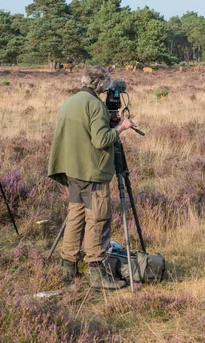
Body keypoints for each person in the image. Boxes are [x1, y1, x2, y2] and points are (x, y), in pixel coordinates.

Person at [48, 65, 135, 289]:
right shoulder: (95, 105)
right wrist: (121, 128)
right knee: (97, 220)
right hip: (93, 172)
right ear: (102, 84)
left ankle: (68, 271)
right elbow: (101, 140)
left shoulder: (71, 102)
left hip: (74, 171)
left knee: (75, 218)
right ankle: (98, 275)